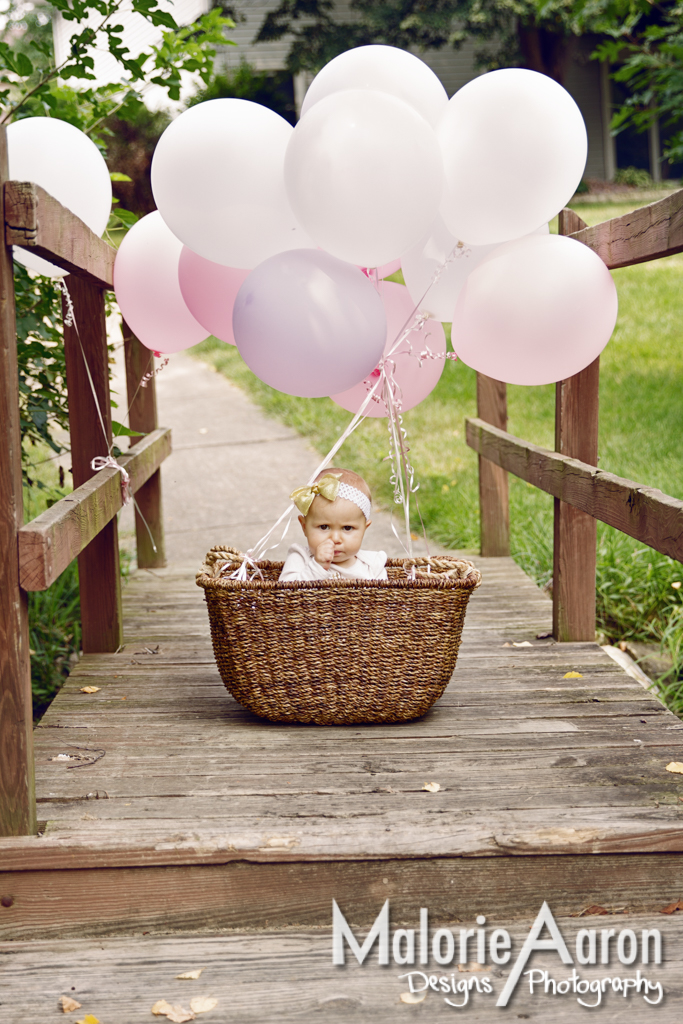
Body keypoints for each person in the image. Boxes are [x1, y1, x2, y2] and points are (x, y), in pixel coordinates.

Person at [279, 467, 388, 581]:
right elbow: (285, 593)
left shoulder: (373, 564)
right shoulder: (300, 558)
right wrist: (317, 566)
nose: (335, 539)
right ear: (304, 527)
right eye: (324, 527)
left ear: (364, 529)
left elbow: (385, 597)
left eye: (347, 528)